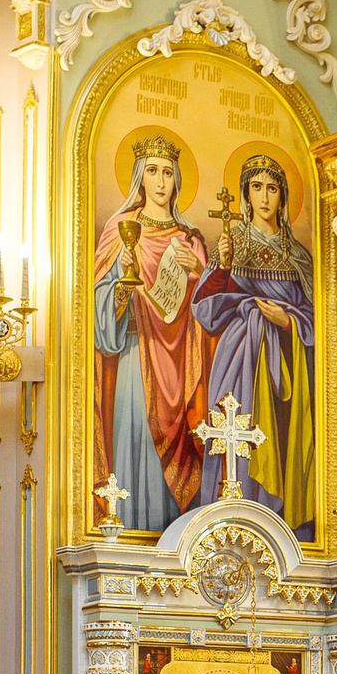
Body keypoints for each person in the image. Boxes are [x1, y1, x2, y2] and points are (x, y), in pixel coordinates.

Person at [93, 134, 213, 527]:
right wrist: (120, 282)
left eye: (167, 173)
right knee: (135, 440)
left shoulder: (190, 239)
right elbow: (98, 303)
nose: (161, 182)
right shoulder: (120, 231)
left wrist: (199, 275)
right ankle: (128, 530)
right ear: (139, 179)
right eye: (152, 172)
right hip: (134, 355)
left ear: (177, 179)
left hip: (180, 363)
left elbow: (211, 316)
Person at [191, 154, 316, 531]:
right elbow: (205, 311)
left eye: (272, 188)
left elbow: (319, 320)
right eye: (256, 187)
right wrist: (223, 268)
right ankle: (235, 515)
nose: (264, 197)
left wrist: (290, 320)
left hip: (290, 372)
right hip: (241, 357)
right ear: (246, 194)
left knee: (282, 443)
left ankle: (282, 525)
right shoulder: (232, 244)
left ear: (283, 197)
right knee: (239, 440)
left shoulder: (300, 258)